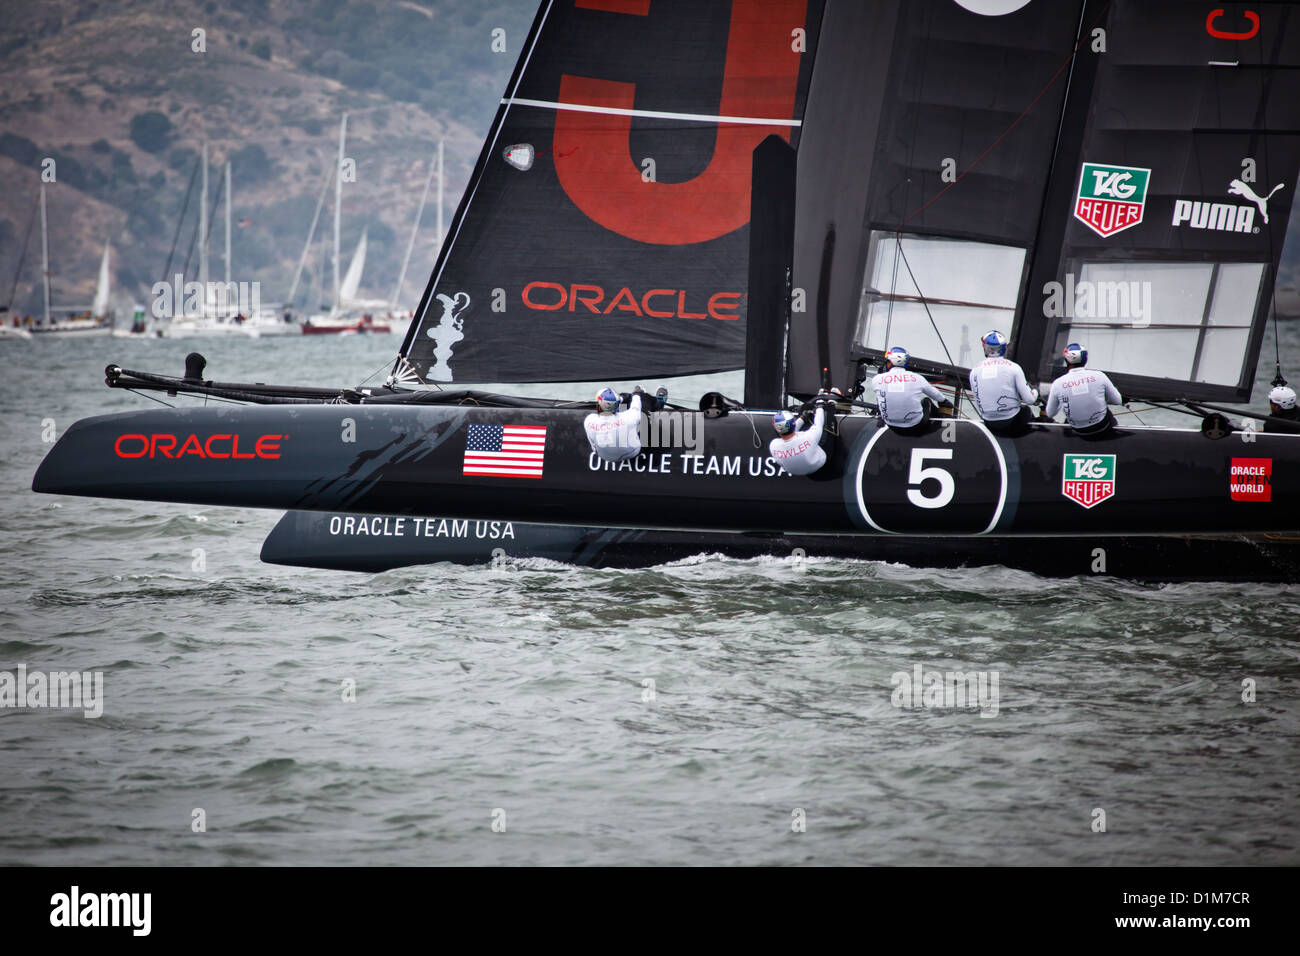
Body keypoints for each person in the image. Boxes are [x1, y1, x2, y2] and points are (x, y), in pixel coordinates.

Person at [1044, 343, 1122, 436]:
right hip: (1102, 427)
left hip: (1078, 430)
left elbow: (1050, 414)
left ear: (1067, 360)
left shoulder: (1057, 383)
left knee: (1068, 419)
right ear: (1085, 359)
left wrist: (1062, 402)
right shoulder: (1099, 375)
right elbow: (1118, 401)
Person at [968, 330, 1038, 433]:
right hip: (1012, 422)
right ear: (1004, 348)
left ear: (985, 348)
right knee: (1026, 410)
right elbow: (1030, 400)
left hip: (989, 423)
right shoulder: (1014, 367)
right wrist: (1036, 391)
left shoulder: (974, 370)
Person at [871, 347, 952, 434]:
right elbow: (937, 396)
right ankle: (944, 424)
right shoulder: (917, 378)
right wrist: (945, 402)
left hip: (891, 425)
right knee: (927, 401)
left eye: (887, 362)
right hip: (916, 424)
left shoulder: (877, 379)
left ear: (890, 363)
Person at [768, 393, 833, 475]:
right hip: (818, 464)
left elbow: (787, 432)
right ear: (793, 423)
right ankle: (831, 406)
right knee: (821, 428)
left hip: (793, 471)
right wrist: (820, 407)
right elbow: (818, 424)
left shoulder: (773, 445)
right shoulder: (807, 437)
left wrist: (802, 418)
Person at [584, 385, 643, 461]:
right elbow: (636, 407)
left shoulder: (589, 420)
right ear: (616, 406)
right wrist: (636, 394)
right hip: (631, 453)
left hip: (604, 456)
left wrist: (621, 399)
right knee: (636, 421)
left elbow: (593, 443)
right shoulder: (628, 417)